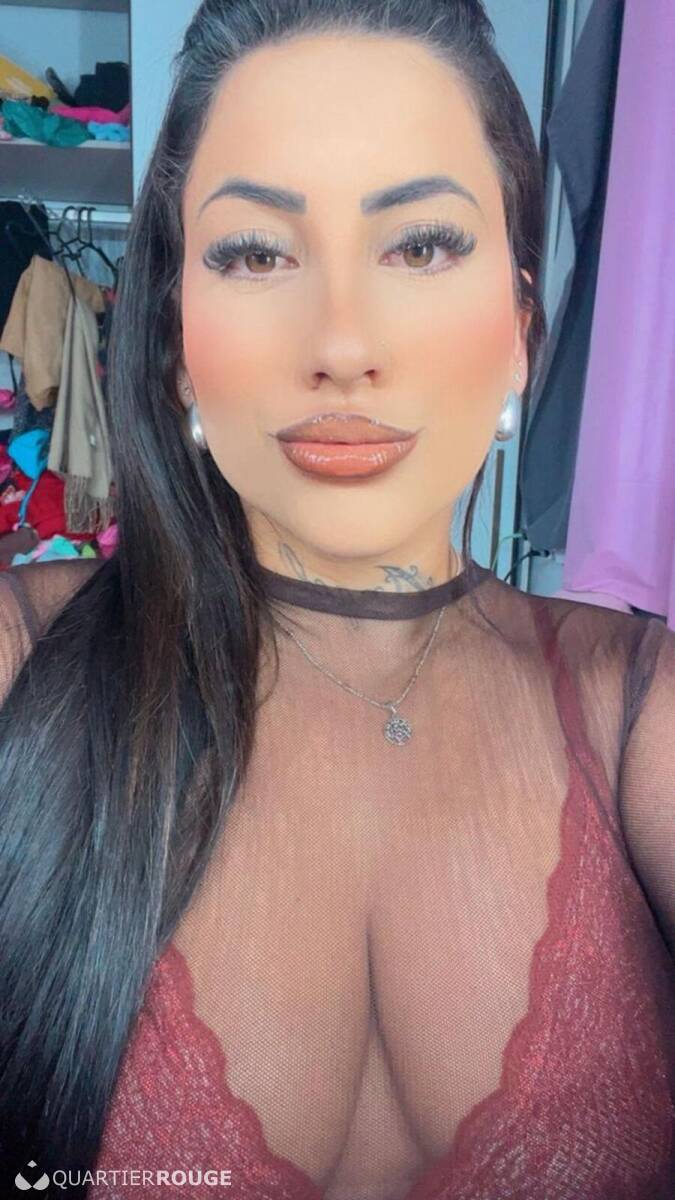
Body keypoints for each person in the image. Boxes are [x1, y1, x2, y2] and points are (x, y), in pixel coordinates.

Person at [0, 2, 673, 1198]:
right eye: (258, 254)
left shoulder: (643, 711)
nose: (344, 343)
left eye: (421, 246)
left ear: (520, 331)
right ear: (177, 343)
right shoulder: (19, 659)